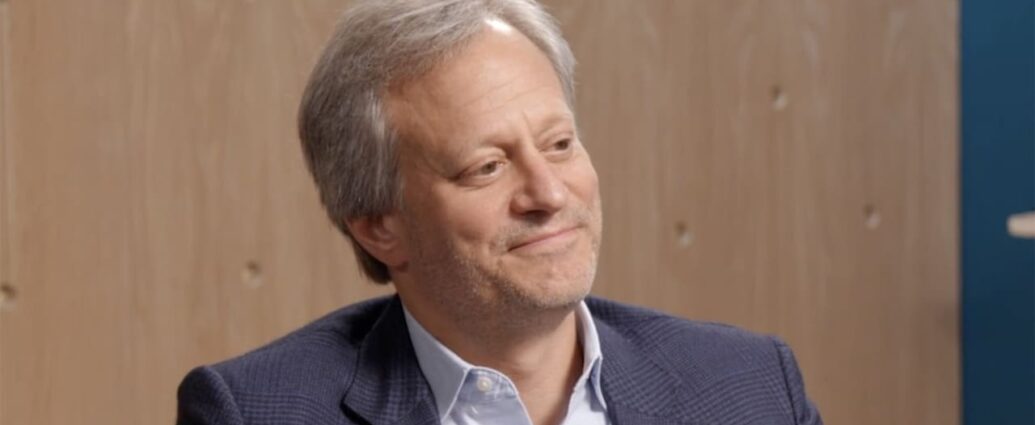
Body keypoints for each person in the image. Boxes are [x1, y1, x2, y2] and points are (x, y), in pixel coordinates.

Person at [176, 0, 824, 424]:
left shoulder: (751, 387)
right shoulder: (257, 411)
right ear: (379, 226)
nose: (549, 192)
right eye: (486, 167)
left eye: (559, 144)